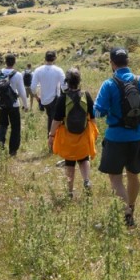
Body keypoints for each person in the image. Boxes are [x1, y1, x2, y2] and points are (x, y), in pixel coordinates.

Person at [94, 47, 140, 227]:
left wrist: (112, 108)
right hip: (137, 136)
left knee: (115, 178)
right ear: (128, 61)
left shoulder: (108, 84)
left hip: (115, 137)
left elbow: (98, 111)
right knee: (133, 175)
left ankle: (126, 214)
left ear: (112, 63)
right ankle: (131, 207)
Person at [47, 67, 99, 198]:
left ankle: (70, 192)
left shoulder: (63, 98)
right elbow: (92, 117)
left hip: (67, 135)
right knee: (83, 158)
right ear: (79, 81)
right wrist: (94, 133)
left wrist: (51, 136)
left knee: (69, 161)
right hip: (83, 134)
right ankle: (86, 180)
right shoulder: (86, 95)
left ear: (67, 81)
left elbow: (56, 120)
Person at [0, 53, 29, 156]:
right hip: (14, 105)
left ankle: (0, 146)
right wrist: (25, 105)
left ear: (5, 61)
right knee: (15, 127)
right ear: (14, 62)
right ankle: (13, 150)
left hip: (1, 105)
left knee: (2, 125)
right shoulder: (18, 75)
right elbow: (22, 92)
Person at [31, 50, 66, 137]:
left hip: (44, 99)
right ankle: (53, 141)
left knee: (50, 118)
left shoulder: (38, 70)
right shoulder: (58, 70)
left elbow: (33, 87)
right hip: (55, 98)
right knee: (55, 119)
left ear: (45, 58)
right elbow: (65, 86)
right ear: (54, 58)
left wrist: (37, 97)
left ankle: (51, 139)